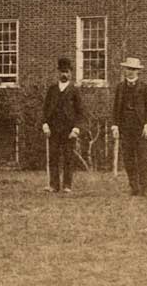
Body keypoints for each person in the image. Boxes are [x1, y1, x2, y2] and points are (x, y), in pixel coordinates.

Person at [112, 57, 147, 197]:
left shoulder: (144, 87)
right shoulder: (120, 87)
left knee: (143, 158)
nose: (131, 72)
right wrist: (115, 126)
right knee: (128, 158)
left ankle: (145, 188)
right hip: (125, 127)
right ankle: (134, 187)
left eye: (134, 69)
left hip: (140, 127)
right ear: (125, 70)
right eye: (129, 69)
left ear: (138, 72)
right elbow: (116, 108)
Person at [41, 58, 84, 194]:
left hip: (69, 129)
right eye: (62, 72)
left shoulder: (74, 91)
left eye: (67, 72)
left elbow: (80, 112)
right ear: (58, 72)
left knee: (68, 157)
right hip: (53, 128)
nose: (64, 75)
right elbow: (45, 109)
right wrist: (45, 125)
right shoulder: (52, 89)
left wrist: (76, 128)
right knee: (53, 156)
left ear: (71, 73)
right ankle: (54, 185)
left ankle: (67, 185)